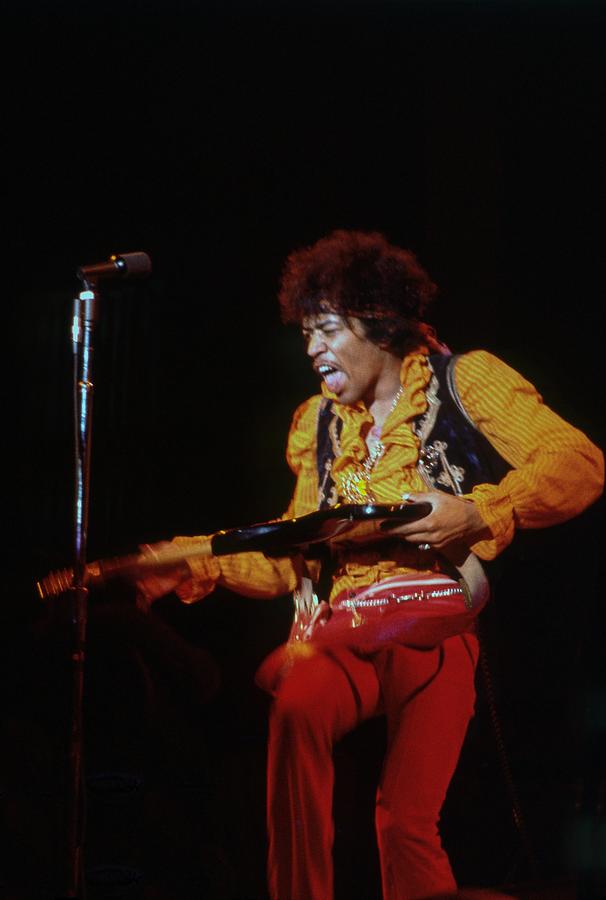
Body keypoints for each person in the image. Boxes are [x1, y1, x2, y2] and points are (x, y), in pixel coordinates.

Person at [136, 230, 604, 900]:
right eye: (304, 332)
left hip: (435, 627)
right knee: (297, 707)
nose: (310, 347)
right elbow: (287, 562)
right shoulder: (317, 423)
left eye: (324, 328)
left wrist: (478, 512)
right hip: (349, 628)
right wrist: (195, 563)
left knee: (403, 822)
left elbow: (578, 463)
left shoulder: (464, 379)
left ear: (380, 322)